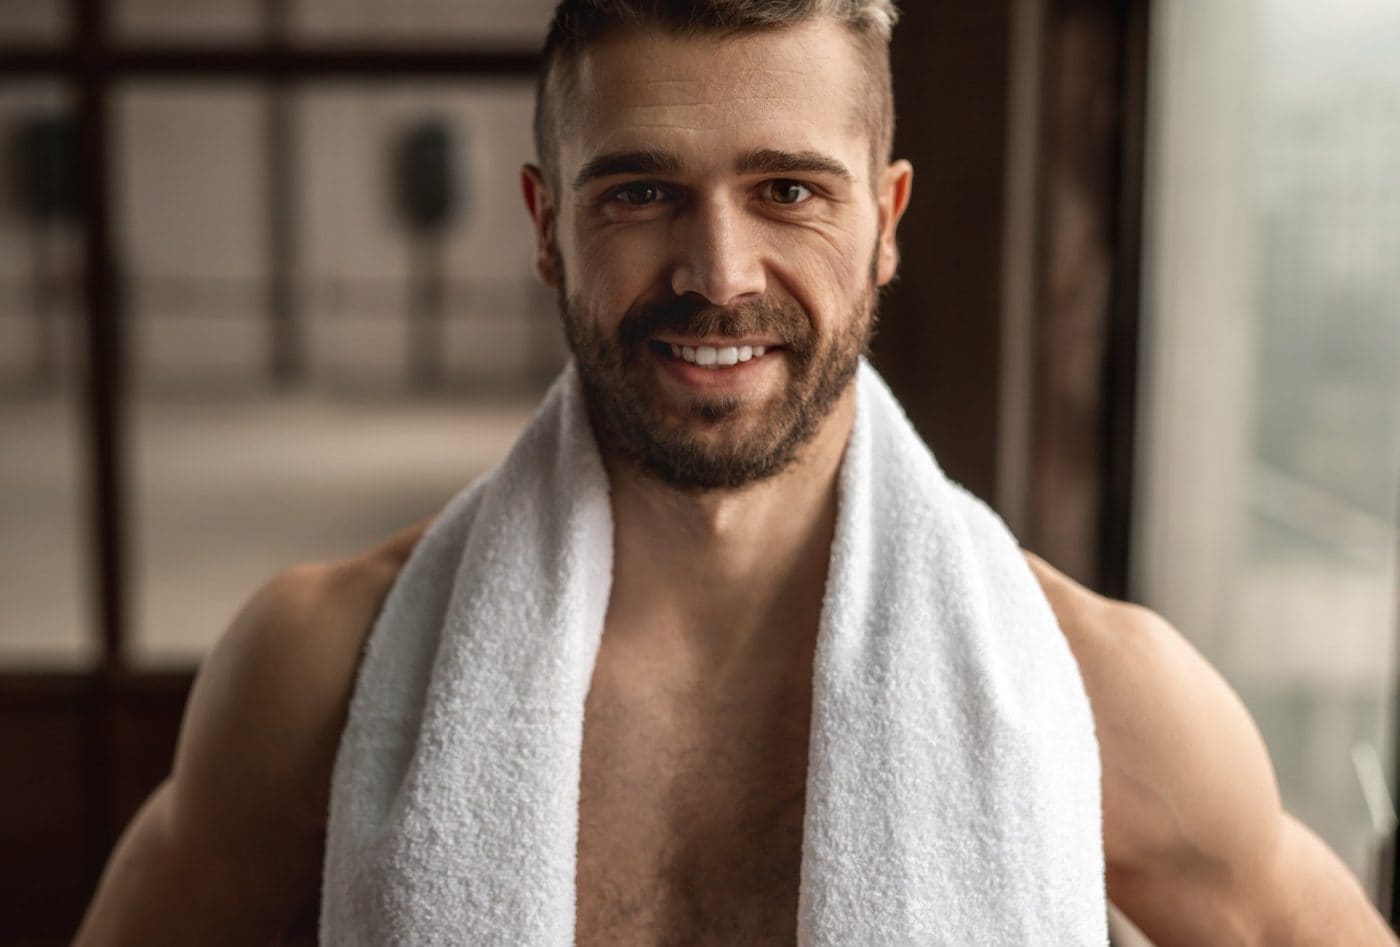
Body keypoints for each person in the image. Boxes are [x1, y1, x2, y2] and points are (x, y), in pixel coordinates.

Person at [74, 2, 1396, 945]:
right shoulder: (321, 669)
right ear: (548, 227)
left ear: (884, 224)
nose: (718, 273)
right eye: (642, 193)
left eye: (788, 193)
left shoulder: (1102, 696)